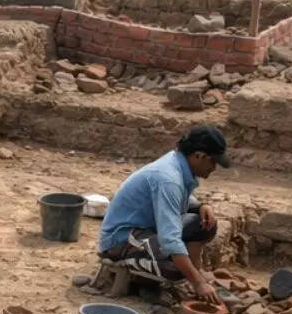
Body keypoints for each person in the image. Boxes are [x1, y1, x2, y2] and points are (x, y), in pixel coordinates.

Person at [97, 124, 229, 303]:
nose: (214, 168)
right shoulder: (168, 179)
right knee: (175, 270)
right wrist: (198, 283)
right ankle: (129, 267)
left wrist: (201, 206)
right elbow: (171, 241)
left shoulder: (177, 163)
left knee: (204, 224)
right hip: (120, 238)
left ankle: (191, 271)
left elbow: (178, 200)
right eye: (213, 162)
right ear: (198, 156)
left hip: (146, 229)